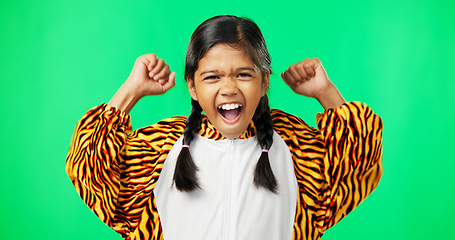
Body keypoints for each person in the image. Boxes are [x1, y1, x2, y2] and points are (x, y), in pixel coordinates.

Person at [66, 15, 383, 240]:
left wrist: (326, 94)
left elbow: (359, 163)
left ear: (264, 83)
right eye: (212, 77)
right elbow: (90, 170)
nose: (229, 88)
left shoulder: (294, 145)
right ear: (192, 87)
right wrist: (131, 90)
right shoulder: (160, 148)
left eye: (244, 74)